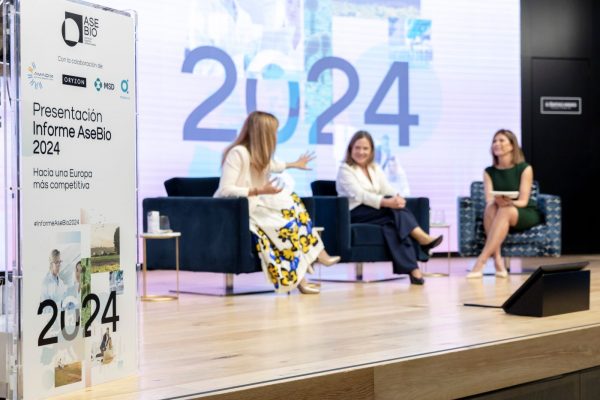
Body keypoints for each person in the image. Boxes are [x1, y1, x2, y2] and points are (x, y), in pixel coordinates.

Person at [214, 111, 340, 294]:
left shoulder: (259, 155)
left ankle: (314, 261)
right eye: (273, 131)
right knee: (285, 227)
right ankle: (309, 268)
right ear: (263, 133)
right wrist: (258, 191)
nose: (275, 136)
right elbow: (225, 190)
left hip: (254, 206)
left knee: (293, 204)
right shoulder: (238, 153)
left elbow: (275, 165)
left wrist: (294, 164)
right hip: (236, 211)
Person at [336, 130, 443, 285]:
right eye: (357, 148)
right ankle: (422, 238)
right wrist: (388, 202)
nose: (361, 152)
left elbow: (386, 188)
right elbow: (360, 195)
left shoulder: (374, 167)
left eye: (365, 148)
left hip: (375, 211)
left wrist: (397, 198)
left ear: (371, 150)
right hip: (354, 212)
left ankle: (414, 271)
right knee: (393, 210)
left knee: (393, 226)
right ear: (350, 149)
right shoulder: (345, 169)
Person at [467, 129, 542, 278]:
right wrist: (498, 201)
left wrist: (509, 202)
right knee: (491, 207)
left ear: (512, 145)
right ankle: (498, 262)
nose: (497, 144)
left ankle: (481, 261)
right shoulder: (489, 171)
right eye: (494, 141)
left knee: (505, 209)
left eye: (501, 140)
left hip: (524, 211)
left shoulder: (525, 168)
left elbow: (523, 201)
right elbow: (489, 199)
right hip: (499, 209)